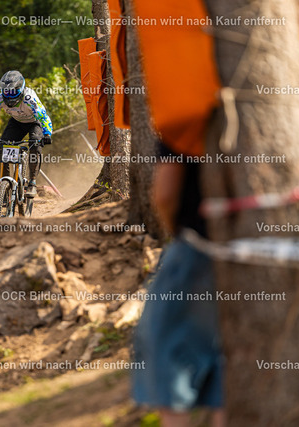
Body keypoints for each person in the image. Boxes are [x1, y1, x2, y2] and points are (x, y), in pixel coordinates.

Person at [132, 144, 225, 427]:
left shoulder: (185, 120)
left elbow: (165, 194)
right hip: (266, 253)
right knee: (230, 371)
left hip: (199, 250)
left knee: (164, 354)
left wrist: (180, 232)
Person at [0, 70, 52, 197]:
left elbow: (43, 117)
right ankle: (5, 184)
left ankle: (32, 182)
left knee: (35, 146)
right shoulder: (0, 99)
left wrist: (47, 134)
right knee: (1, 149)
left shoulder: (29, 99)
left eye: (13, 92)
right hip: (17, 123)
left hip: (34, 122)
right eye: (6, 92)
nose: (9, 96)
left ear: (21, 89)